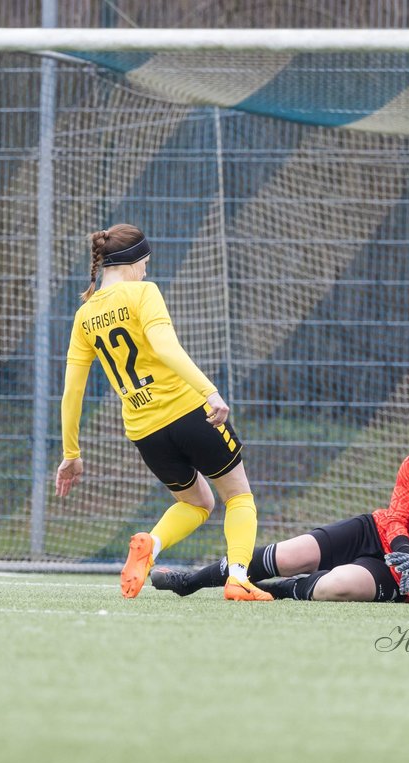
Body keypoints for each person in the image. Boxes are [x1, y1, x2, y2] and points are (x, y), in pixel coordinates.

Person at [55, 224, 272, 601]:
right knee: (238, 497)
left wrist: (71, 454)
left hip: (145, 431)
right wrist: (211, 392)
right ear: (135, 261)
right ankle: (238, 579)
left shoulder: (84, 315)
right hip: (190, 412)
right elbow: (167, 349)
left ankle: (150, 547)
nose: (147, 271)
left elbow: (72, 392)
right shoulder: (143, 293)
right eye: (146, 263)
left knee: (196, 503)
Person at [151, 408, 409, 603]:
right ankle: (190, 582)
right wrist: (402, 547)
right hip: (375, 531)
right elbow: (397, 515)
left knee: (335, 587)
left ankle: (275, 590)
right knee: (288, 556)